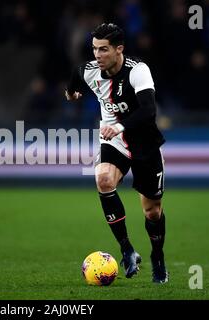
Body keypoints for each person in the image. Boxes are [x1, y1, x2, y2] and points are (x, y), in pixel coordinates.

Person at [65, 23, 168, 283]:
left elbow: (148, 110)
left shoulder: (138, 71)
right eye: (94, 49)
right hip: (115, 141)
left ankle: (158, 258)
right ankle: (127, 249)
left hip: (144, 142)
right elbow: (74, 81)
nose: (97, 55)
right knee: (103, 179)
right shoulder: (88, 71)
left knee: (152, 212)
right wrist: (72, 93)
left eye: (103, 49)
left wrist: (120, 125)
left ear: (119, 49)